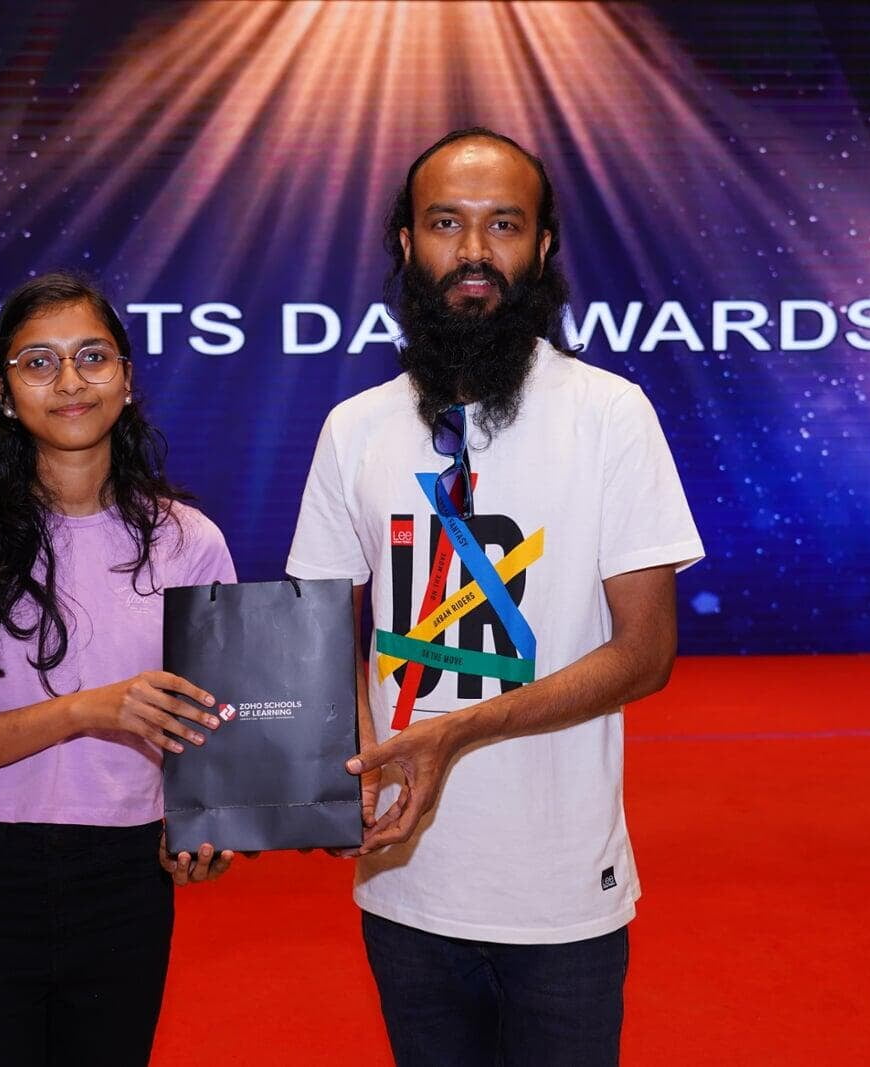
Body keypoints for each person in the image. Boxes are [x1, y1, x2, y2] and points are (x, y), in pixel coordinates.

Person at [287, 128, 705, 1065]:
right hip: (402, 883)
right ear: (407, 244)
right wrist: (350, 770)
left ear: (542, 247)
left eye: (503, 225)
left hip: (561, 893)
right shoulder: (354, 428)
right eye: (446, 224)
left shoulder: (611, 415)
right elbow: (321, 627)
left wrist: (456, 734)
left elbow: (647, 652)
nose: (474, 251)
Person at [0, 271, 236, 1066]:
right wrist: (81, 709)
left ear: (126, 378)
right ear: (3, 393)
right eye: (38, 362)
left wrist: (215, 824)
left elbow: (216, 732)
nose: (69, 382)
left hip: (125, 877)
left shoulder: (189, 541)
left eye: (92, 356)